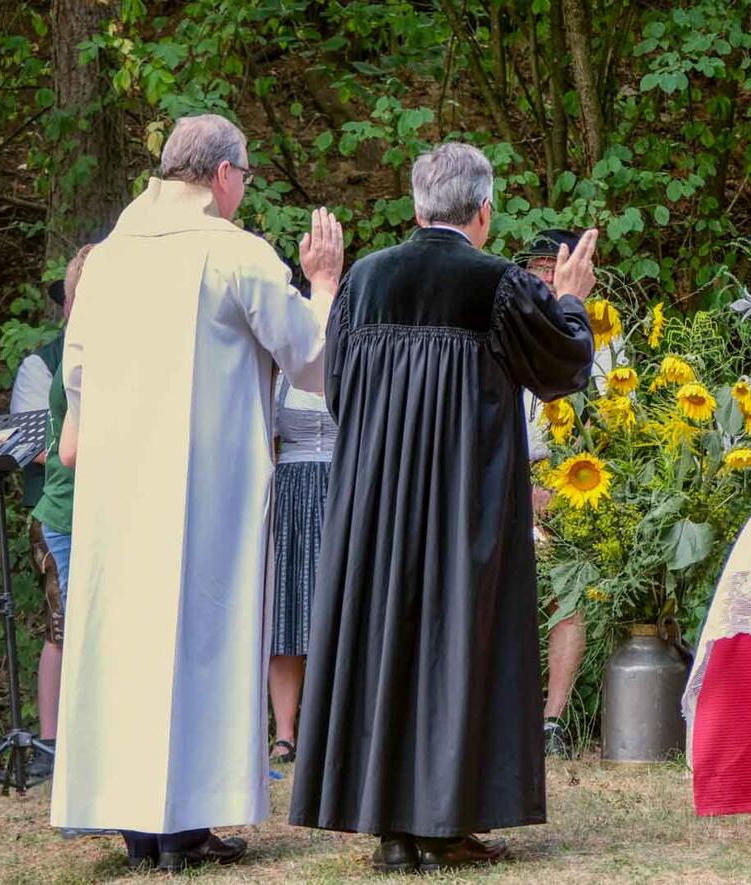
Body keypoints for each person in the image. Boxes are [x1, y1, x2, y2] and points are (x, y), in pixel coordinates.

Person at [289, 143, 598, 873]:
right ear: (484, 212)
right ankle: (441, 824)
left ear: (415, 207)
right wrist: (573, 295)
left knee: (385, 643)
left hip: (376, 502)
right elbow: (563, 365)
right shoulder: (496, 285)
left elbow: (337, 389)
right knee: (458, 644)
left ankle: (393, 829)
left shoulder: (363, 281)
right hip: (464, 498)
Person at [50, 113, 344, 873]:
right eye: (244, 175)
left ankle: (137, 822)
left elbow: (74, 375)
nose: (244, 189)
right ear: (220, 174)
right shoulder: (235, 254)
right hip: (203, 490)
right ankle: (183, 821)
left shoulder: (108, 261)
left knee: (128, 646)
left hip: (118, 494)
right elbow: (312, 359)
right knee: (198, 644)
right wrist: (323, 284)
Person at [518, 229, 590, 758]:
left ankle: (553, 718)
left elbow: (607, 422)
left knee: (565, 597)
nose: (545, 276)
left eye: (555, 266)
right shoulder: (511, 324)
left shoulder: (599, 334)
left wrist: (557, 485)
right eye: (539, 266)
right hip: (504, 481)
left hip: (570, 483)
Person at [24, 246, 94, 786]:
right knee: (67, 633)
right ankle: (63, 750)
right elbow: (62, 448)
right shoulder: (68, 353)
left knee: (80, 632)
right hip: (66, 513)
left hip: (84, 511)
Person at [9, 278, 67, 781]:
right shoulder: (41, 363)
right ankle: (50, 743)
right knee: (59, 624)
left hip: (108, 504)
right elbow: (34, 444)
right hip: (54, 506)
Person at [267, 370, 337, 766]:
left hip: (344, 486)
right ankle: (286, 734)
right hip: (291, 494)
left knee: (341, 611)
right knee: (288, 610)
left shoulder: (353, 366)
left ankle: (334, 728)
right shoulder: (282, 375)